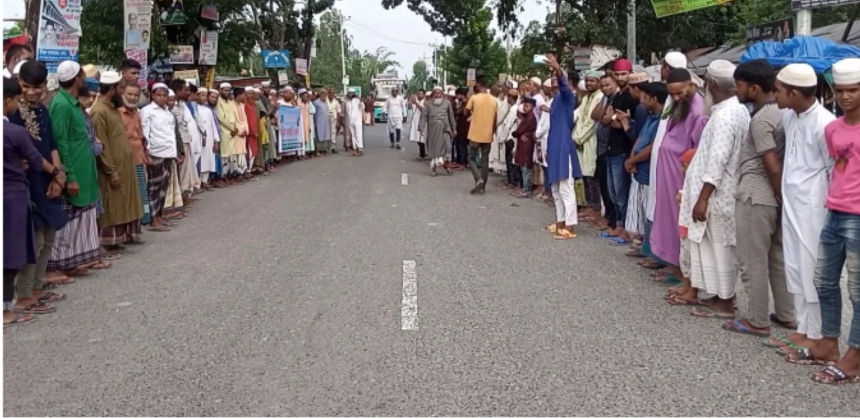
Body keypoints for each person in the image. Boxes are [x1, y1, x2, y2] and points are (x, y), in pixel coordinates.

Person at [721, 59, 794, 338]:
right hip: (773, 196)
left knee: (751, 260)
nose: (736, 90)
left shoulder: (762, 119)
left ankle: (757, 319)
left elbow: (771, 164)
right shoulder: (783, 113)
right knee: (777, 257)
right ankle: (787, 314)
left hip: (757, 194)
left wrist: (777, 192)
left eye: (738, 86)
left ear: (753, 88)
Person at [802, 57, 860, 384]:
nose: (845, 97)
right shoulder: (832, 129)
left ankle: (854, 357)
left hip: (858, 216)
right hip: (834, 210)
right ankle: (828, 342)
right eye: (840, 91)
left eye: (853, 90)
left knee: (858, 290)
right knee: (824, 282)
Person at [678, 60, 749, 318]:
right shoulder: (733, 110)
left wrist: (703, 198)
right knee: (715, 247)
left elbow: (717, 160)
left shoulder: (726, 116)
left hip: (717, 197)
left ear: (713, 85)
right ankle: (720, 296)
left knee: (720, 248)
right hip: (720, 194)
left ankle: (726, 302)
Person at [776, 63, 836, 362]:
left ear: (794, 92)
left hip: (814, 208)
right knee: (795, 268)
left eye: (778, 90)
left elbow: (831, 170)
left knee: (812, 270)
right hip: (791, 204)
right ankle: (803, 328)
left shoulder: (825, 123)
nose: (775, 95)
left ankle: (817, 335)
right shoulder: (790, 116)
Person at [4, 78, 66, 324]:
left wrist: (57, 176)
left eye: (37, 87)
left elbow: (50, 144)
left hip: (39, 182)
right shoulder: (14, 123)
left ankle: (34, 288)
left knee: (46, 237)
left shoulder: (42, 110)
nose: (30, 93)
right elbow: (32, 157)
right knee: (26, 243)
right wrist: (56, 173)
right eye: (25, 88)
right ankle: (21, 296)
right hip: (23, 188)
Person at [655, 68, 708, 305]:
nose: (676, 98)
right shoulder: (680, 105)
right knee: (668, 217)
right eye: (672, 94)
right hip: (668, 172)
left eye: (680, 93)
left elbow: (699, 149)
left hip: (683, 176)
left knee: (682, 224)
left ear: (692, 85)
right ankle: (674, 264)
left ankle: (684, 273)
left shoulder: (699, 110)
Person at [47, 61, 104, 277]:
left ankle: (72, 261)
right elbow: (61, 144)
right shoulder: (61, 105)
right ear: (78, 79)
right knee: (68, 222)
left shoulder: (72, 103)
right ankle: (58, 265)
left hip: (84, 170)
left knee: (81, 220)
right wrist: (69, 176)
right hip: (73, 173)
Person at [90, 70, 145, 254]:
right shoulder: (99, 111)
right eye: (121, 88)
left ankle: (117, 240)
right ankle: (106, 243)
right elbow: (102, 144)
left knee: (123, 203)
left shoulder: (111, 108)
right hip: (111, 169)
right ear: (113, 89)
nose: (122, 92)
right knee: (111, 206)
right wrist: (111, 171)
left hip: (124, 166)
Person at [541, 54, 581, 239]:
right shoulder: (556, 99)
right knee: (555, 188)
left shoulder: (568, 97)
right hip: (554, 145)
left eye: (557, 79)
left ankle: (570, 226)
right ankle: (560, 221)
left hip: (563, 146)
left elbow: (564, 86)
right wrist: (548, 150)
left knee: (566, 186)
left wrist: (558, 69)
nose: (554, 82)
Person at [602, 59, 639, 244]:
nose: (620, 78)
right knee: (613, 192)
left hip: (624, 149)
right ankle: (617, 225)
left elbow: (621, 124)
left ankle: (625, 228)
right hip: (611, 147)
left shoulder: (631, 97)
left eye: (623, 74)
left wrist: (614, 118)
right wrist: (613, 118)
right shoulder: (617, 96)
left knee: (622, 192)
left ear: (630, 72)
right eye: (617, 74)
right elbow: (606, 119)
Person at [141, 83, 178, 232]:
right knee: (154, 187)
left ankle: (160, 215)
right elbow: (145, 133)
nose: (162, 98)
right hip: (155, 153)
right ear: (152, 95)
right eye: (159, 95)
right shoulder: (147, 111)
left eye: (164, 95)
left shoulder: (168, 112)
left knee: (163, 186)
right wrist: (147, 153)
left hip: (168, 152)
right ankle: (153, 219)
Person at [118, 81, 152, 227]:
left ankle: (136, 230)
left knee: (140, 195)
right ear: (122, 95)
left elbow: (141, 137)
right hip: (124, 162)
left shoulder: (137, 113)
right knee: (126, 197)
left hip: (139, 159)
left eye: (136, 95)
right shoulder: (117, 113)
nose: (132, 98)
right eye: (129, 94)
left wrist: (145, 155)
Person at [575, 70, 605, 221]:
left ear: (599, 82)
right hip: (580, 140)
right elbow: (579, 116)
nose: (589, 83)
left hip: (590, 140)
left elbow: (593, 124)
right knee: (585, 176)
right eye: (587, 81)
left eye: (592, 81)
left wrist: (579, 139)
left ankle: (596, 209)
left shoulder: (600, 97)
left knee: (592, 177)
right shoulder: (587, 97)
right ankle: (589, 206)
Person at [590, 75, 619, 231]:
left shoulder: (616, 99)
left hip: (611, 147)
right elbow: (594, 115)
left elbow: (610, 120)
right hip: (600, 148)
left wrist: (608, 117)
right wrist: (604, 115)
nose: (604, 88)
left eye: (608, 85)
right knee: (603, 184)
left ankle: (613, 221)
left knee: (612, 188)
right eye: (602, 85)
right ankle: (608, 216)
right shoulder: (604, 99)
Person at [465, 75, 499, 194]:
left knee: (471, 158)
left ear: (478, 85)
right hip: (487, 134)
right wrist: (493, 132)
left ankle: (478, 179)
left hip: (475, 133)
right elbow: (496, 119)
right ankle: (483, 187)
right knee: (485, 160)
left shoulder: (474, 98)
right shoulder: (494, 100)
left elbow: (465, 112)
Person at [419, 86, 456, 176]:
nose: (437, 95)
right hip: (433, 130)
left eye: (439, 93)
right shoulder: (428, 104)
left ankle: (447, 165)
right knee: (434, 150)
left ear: (442, 94)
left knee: (447, 148)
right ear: (433, 94)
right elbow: (423, 116)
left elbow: (451, 117)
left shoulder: (447, 103)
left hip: (445, 128)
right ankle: (433, 169)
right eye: (435, 93)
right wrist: (421, 126)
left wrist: (454, 128)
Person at [512, 97, 538, 197]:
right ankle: (524, 188)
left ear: (533, 107)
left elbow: (518, 131)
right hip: (524, 144)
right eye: (524, 106)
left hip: (527, 144)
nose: (525, 108)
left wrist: (517, 134)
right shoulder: (527, 117)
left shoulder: (530, 118)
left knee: (526, 166)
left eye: (527, 106)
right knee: (524, 166)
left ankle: (527, 189)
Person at [195, 87, 219, 188]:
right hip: (198, 139)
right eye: (202, 95)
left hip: (209, 139)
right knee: (199, 159)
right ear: (197, 96)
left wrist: (216, 140)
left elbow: (213, 126)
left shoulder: (208, 110)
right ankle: (198, 182)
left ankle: (205, 181)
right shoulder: (194, 108)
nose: (204, 98)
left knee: (208, 159)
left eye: (205, 95)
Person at [497, 88, 521, 189]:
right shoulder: (515, 108)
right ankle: (511, 181)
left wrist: (502, 139)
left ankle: (512, 182)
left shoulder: (514, 109)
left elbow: (508, 125)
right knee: (511, 160)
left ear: (511, 97)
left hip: (510, 137)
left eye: (508, 97)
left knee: (510, 160)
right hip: (511, 137)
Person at [452, 87, 471, 169]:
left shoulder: (466, 103)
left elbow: (459, 112)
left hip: (464, 126)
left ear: (461, 95)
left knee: (462, 144)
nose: (456, 96)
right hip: (460, 125)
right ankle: (460, 161)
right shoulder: (462, 103)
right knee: (458, 143)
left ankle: (464, 163)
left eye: (457, 94)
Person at [344, 87, 364, 156]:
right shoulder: (347, 102)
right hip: (351, 121)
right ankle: (355, 149)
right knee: (353, 135)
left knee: (358, 134)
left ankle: (360, 149)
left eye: (352, 93)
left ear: (354, 94)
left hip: (357, 120)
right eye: (349, 93)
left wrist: (360, 101)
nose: (350, 94)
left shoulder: (357, 100)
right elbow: (347, 112)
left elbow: (362, 107)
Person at [312, 89, 332, 154]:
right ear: (320, 94)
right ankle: (318, 150)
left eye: (325, 94)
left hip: (325, 122)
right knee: (319, 134)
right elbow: (314, 113)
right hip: (319, 121)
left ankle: (323, 149)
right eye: (322, 93)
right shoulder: (316, 102)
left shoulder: (325, 102)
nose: (324, 95)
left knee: (325, 134)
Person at [409, 89, 427, 160]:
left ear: (424, 94)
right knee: (417, 138)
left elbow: (423, 110)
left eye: (421, 93)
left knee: (422, 139)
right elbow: (409, 108)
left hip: (422, 121)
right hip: (415, 121)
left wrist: (416, 103)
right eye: (418, 93)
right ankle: (423, 153)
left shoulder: (425, 101)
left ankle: (422, 155)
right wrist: (410, 102)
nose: (419, 95)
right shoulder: (415, 100)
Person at [327, 88, 342, 154]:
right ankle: (326, 147)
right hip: (326, 118)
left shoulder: (336, 102)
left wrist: (338, 122)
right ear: (328, 93)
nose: (332, 94)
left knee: (333, 133)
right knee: (327, 133)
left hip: (334, 118)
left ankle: (333, 147)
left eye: (333, 93)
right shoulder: (325, 100)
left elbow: (339, 112)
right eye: (331, 93)